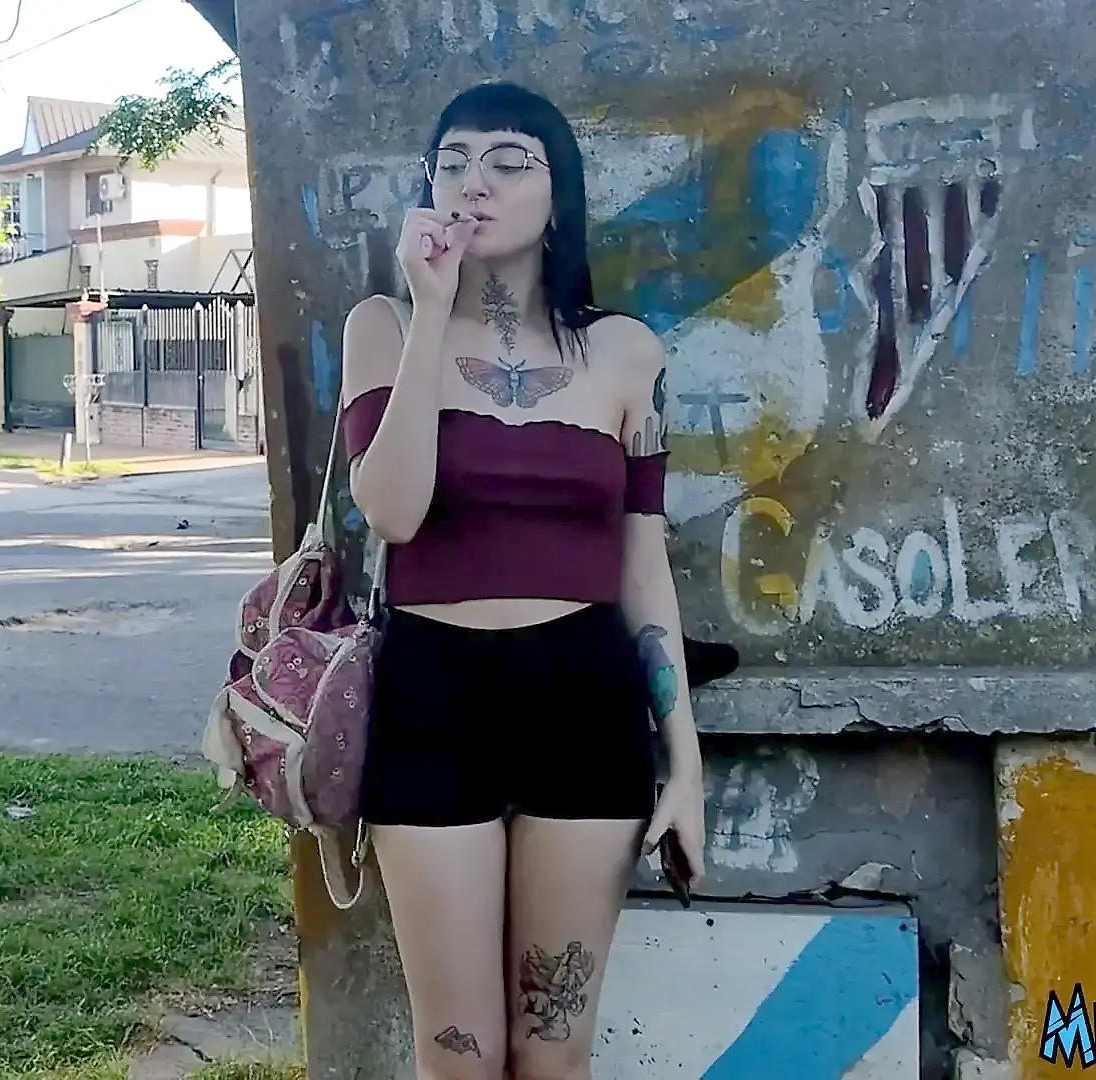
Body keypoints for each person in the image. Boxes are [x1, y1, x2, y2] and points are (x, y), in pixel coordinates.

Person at [338, 80, 707, 1080]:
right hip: (431, 695)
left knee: (551, 1052)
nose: (475, 184)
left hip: (582, 699)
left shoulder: (625, 354)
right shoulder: (382, 328)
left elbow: (644, 567)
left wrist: (684, 763)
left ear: (559, 196)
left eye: (509, 163)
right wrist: (430, 310)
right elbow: (393, 513)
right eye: (453, 163)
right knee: (458, 1057)